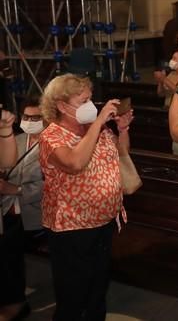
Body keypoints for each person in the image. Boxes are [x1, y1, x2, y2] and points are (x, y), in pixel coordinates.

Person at [38, 74, 134, 321]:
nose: (91, 106)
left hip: (102, 222)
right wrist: (98, 123)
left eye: (91, 99)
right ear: (61, 105)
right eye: (83, 101)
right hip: (71, 227)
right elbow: (75, 162)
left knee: (96, 291)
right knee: (73, 295)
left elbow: (121, 153)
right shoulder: (52, 136)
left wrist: (121, 130)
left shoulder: (97, 130)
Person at [0, 97, 45, 320]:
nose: (30, 121)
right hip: (8, 208)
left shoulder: (53, 144)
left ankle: (15, 300)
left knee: (9, 239)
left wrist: (15, 189)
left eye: (37, 117)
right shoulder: (15, 139)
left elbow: (51, 186)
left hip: (36, 213)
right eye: (27, 117)